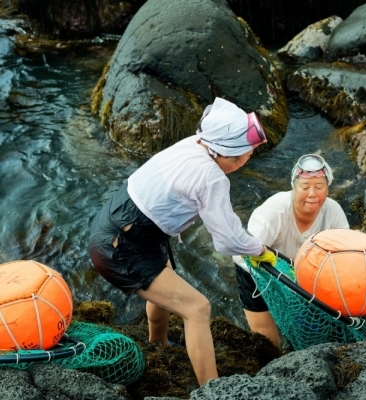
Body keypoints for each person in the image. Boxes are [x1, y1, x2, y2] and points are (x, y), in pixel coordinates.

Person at [88, 97, 277, 386]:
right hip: (121, 245)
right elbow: (227, 240)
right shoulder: (211, 177)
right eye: (244, 155)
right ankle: (212, 389)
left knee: (167, 281)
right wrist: (260, 250)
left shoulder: (195, 143)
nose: (245, 160)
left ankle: (158, 345)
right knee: (197, 308)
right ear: (228, 153)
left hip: (122, 221)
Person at [233, 154, 349, 347]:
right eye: (305, 187)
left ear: (327, 189)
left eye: (319, 187)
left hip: (305, 275)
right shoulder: (274, 211)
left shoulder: (333, 211)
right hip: (260, 271)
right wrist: (281, 272)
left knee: (310, 331)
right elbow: (239, 253)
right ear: (293, 188)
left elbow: (347, 251)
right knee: (267, 342)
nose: (312, 194)